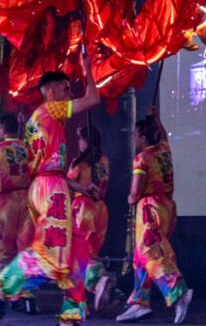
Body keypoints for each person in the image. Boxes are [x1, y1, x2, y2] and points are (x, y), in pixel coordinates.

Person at [0, 52, 101, 326]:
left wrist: (80, 187)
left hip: (45, 185)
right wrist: (88, 69)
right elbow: (93, 99)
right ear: (51, 91)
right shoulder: (50, 108)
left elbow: (49, 168)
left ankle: (72, 313)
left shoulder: (41, 121)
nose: (70, 93)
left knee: (77, 249)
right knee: (54, 253)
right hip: (49, 189)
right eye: (66, 88)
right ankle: (2, 288)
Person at [117, 107, 193, 324]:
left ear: (142, 137)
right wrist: (158, 121)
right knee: (141, 258)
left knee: (151, 254)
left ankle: (177, 291)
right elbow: (165, 135)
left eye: (135, 134)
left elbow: (135, 192)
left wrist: (130, 199)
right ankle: (138, 303)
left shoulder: (142, 158)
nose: (133, 137)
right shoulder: (164, 151)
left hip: (149, 208)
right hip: (167, 207)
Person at [0, 114, 35, 311]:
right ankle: (25, 295)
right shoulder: (27, 148)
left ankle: (3, 292)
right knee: (25, 246)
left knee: (4, 248)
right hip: (27, 200)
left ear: (1, 129)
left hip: (5, 202)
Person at [68, 123, 111, 312]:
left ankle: (97, 282)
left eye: (81, 139)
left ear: (86, 141)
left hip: (83, 208)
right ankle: (85, 297)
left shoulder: (79, 164)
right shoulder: (103, 162)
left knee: (80, 256)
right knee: (91, 253)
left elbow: (69, 184)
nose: (79, 142)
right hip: (100, 208)